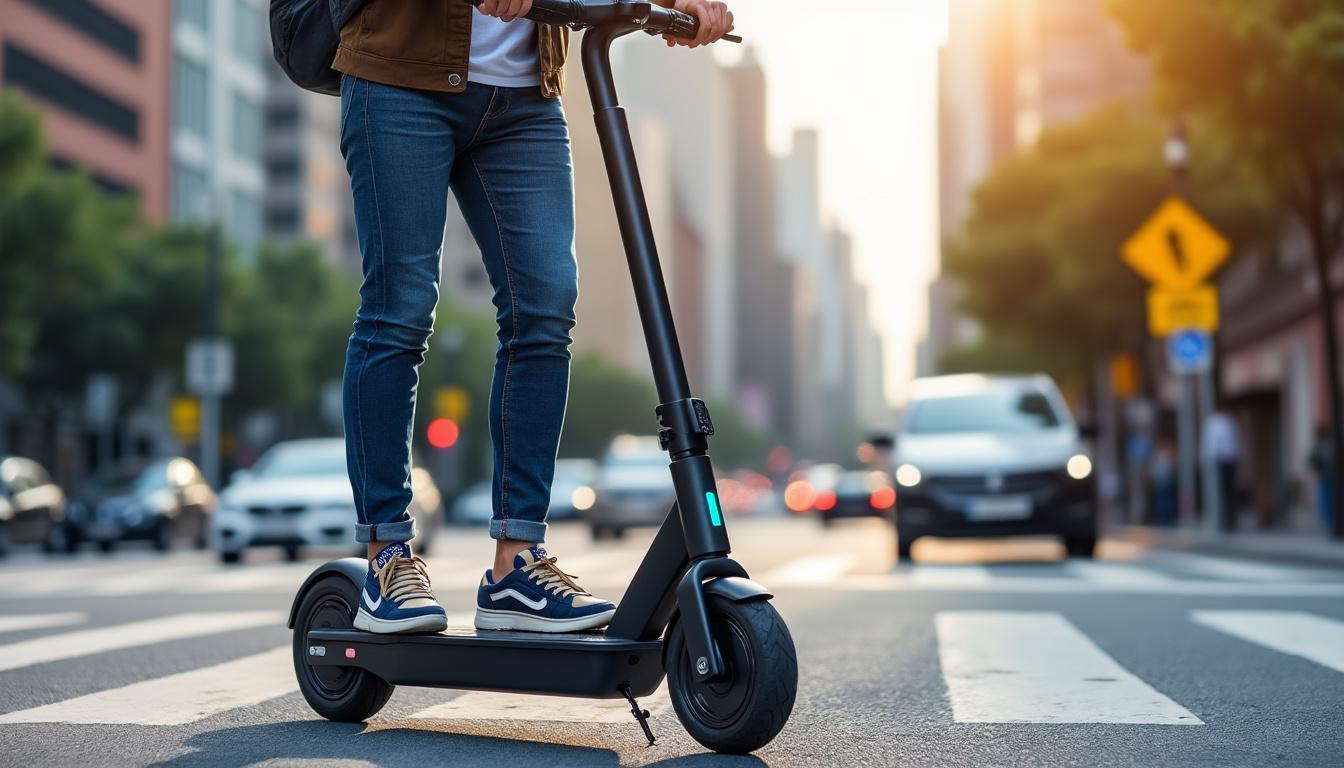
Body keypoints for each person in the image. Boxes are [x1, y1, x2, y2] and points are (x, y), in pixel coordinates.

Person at [333, 0, 736, 635]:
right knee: (399, 310)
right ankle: (387, 555)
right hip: (399, 78)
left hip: (525, 97)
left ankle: (516, 565)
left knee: (545, 307)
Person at [1201, 408, 1240, 531]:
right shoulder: (1214, 422)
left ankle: (1228, 519)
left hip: (1225, 459)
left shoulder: (1224, 422)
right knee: (1223, 491)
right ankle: (1223, 519)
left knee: (1226, 491)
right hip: (1221, 460)